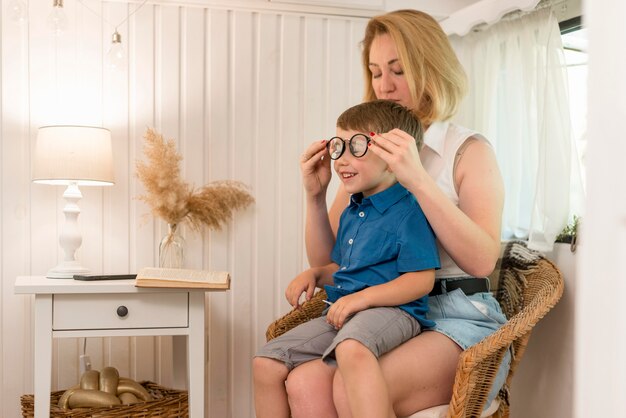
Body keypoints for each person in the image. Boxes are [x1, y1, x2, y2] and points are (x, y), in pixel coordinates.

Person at [287, 9, 510, 418]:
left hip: (456, 315)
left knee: (348, 386)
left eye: (398, 71)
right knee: (303, 383)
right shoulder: (365, 152)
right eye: (375, 73)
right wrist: (315, 198)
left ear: (430, 69)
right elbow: (329, 263)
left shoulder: (468, 150)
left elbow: (482, 259)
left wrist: (418, 178)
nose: (384, 87)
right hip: (385, 311)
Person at [253, 99, 440, 418]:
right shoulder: (354, 210)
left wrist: (362, 300)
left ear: (392, 156)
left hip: (394, 311)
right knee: (265, 364)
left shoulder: (408, 211)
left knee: (351, 347)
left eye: (357, 146)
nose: (341, 159)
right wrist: (316, 273)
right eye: (338, 147)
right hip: (346, 311)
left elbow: (421, 280)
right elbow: (343, 268)